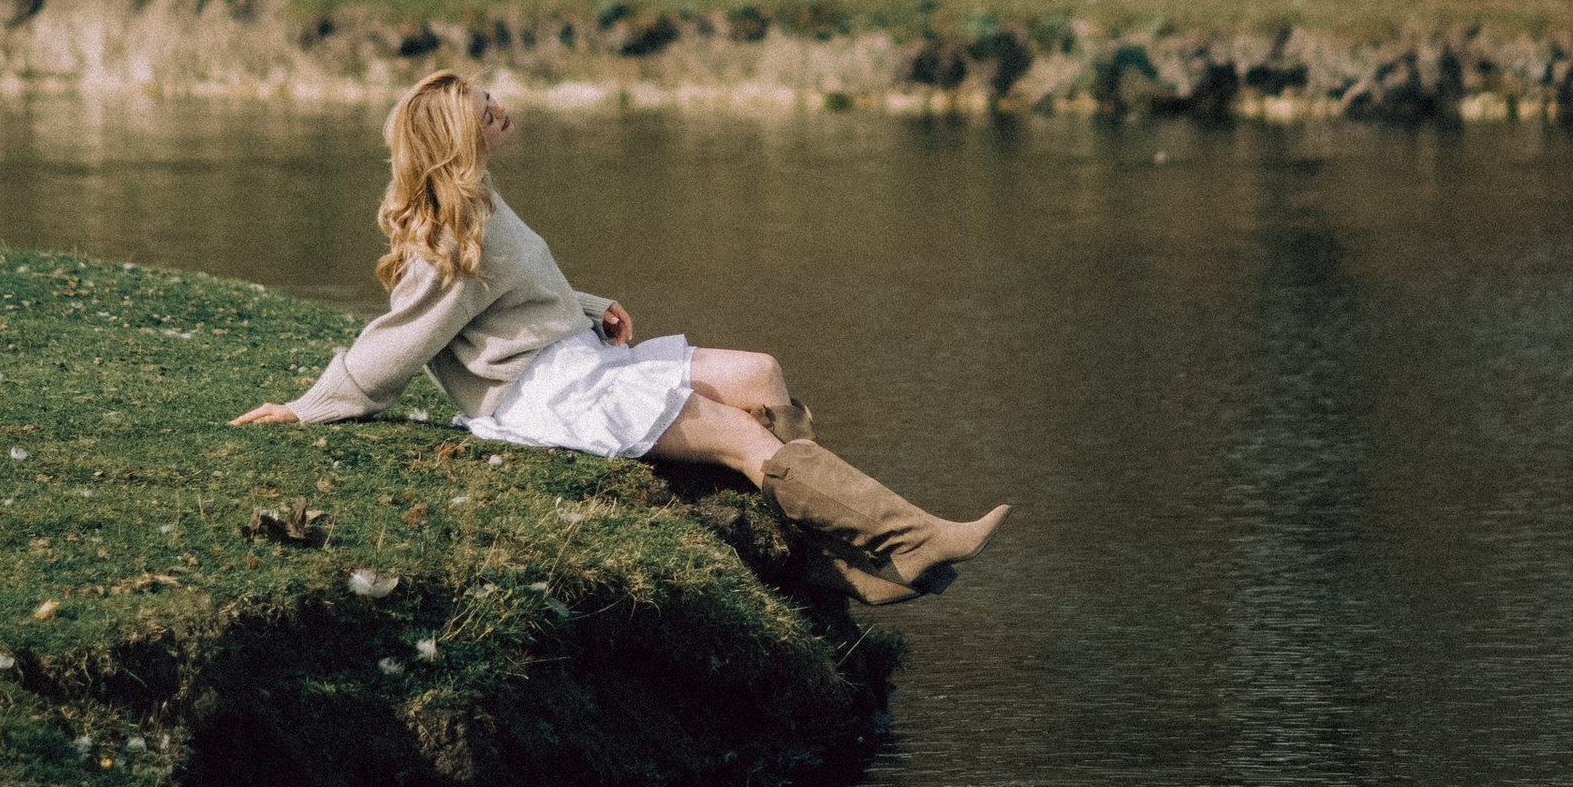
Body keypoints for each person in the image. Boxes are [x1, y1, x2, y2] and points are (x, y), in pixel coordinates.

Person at [231, 68, 1005, 607]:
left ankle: (854, 561)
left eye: (491, 95)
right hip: (549, 394)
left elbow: (520, 294)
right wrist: (309, 406)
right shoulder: (450, 236)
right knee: (740, 435)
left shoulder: (485, 203)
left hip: (578, 355)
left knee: (761, 373)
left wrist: (592, 306)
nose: (499, 106)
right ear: (456, 135)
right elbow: (392, 347)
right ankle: (903, 543)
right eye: (482, 104)